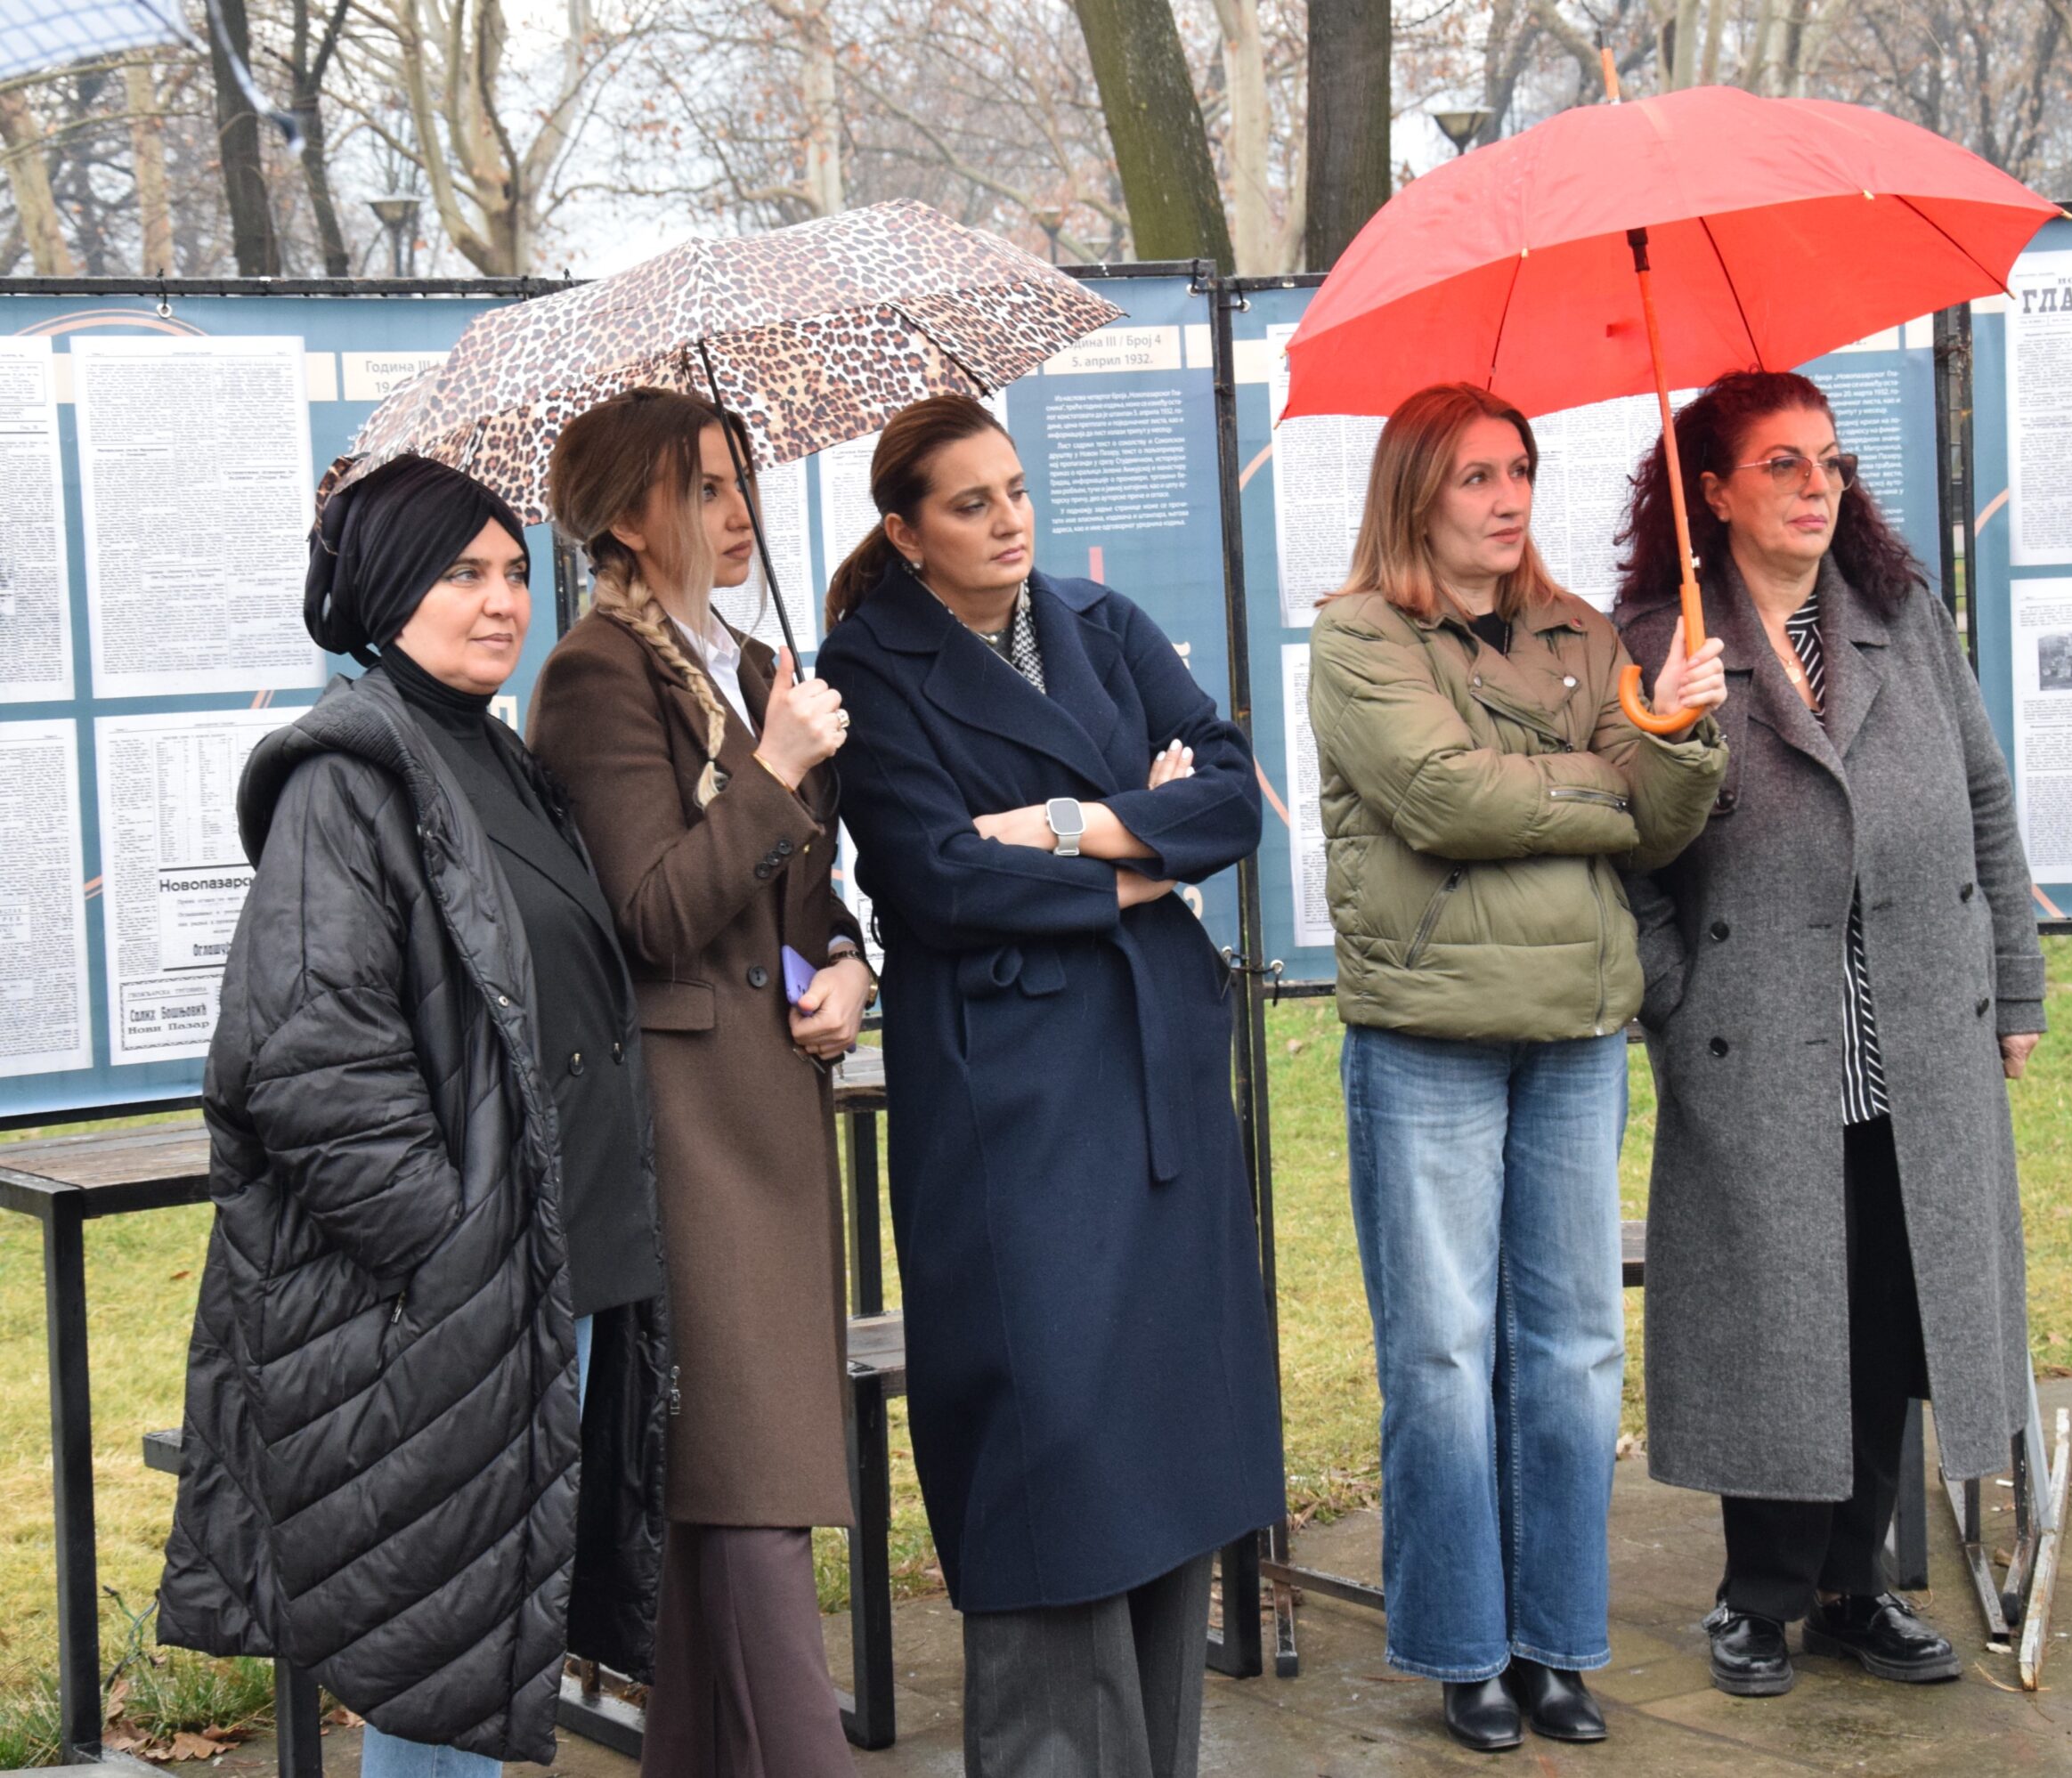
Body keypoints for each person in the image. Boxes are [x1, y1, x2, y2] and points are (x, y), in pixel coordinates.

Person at [157, 454, 670, 1774]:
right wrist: (449, 1248)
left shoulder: (494, 755)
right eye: (461, 573)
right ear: (388, 589)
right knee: (444, 1661)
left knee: (485, 1643)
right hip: (462, 1293)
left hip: (561, 1269)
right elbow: (303, 1056)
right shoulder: (349, 777)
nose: (501, 601)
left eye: (514, 572)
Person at [813, 393, 1284, 1778]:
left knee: (1167, 1457)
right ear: (906, 532)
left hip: (1158, 1083)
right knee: (1052, 1459)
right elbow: (936, 879)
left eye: (1016, 489)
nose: (1010, 520)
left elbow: (1234, 795)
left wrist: (1068, 827)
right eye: (972, 503)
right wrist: (1142, 860)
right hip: (1012, 1105)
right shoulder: (869, 662)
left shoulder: (1102, 622)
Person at [1307, 382, 1727, 1753]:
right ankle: (1460, 1649)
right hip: (1427, 1028)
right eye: (1476, 475)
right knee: (1441, 1353)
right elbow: (1440, 799)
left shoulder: (1579, 632)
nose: (1507, 498)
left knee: (1575, 1351)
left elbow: (1658, 824)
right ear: (1414, 492)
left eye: (1520, 471)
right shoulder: (1360, 636)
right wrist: (1600, 778)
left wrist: (1674, 731)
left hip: (1575, 1031)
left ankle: (1555, 1642)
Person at [1613, 370, 2045, 1698]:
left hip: (1916, 1030)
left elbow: (1983, 797)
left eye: (1832, 462)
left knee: (1889, 1307)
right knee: (1776, 1316)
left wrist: (2016, 984)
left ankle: (1857, 1589)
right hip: (1755, 1037)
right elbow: (1624, 848)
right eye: (1784, 464)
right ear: (1713, 491)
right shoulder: (1659, 643)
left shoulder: (1899, 615)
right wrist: (1676, 994)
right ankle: (1757, 1597)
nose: (1818, 487)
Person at [529, 386, 870, 1778]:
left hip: (769, 1106)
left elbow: (804, 899)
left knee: (734, 1490)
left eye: (744, 482)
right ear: (629, 516)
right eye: (707, 488)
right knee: (742, 1484)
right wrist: (775, 766)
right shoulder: (598, 674)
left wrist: (847, 963)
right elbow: (655, 912)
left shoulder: (747, 660)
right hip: (688, 1128)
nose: (741, 513)